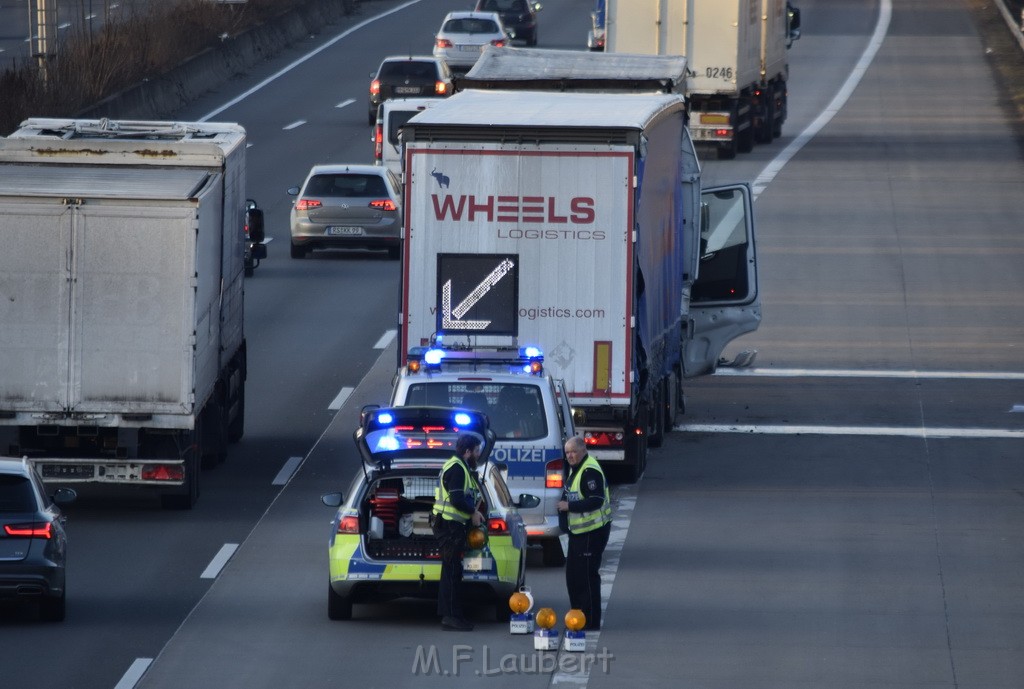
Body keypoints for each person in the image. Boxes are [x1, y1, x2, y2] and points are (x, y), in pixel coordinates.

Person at [557, 435, 612, 631]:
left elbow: (595, 499)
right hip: (579, 533)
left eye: (573, 452)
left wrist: (568, 506)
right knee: (573, 577)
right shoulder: (576, 470)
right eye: (567, 452)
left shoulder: (589, 471)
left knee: (586, 578)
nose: (570, 456)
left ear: (583, 450)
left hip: (592, 532)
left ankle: (589, 621)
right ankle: (578, 617)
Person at [432, 433, 485, 631]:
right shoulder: (458, 469)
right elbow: (456, 499)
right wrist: (473, 513)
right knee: (452, 572)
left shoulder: (459, 466)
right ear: (468, 451)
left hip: (449, 525)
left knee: (451, 571)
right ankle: (452, 616)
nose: (478, 455)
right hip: (450, 526)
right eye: (477, 451)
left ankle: (452, 615)